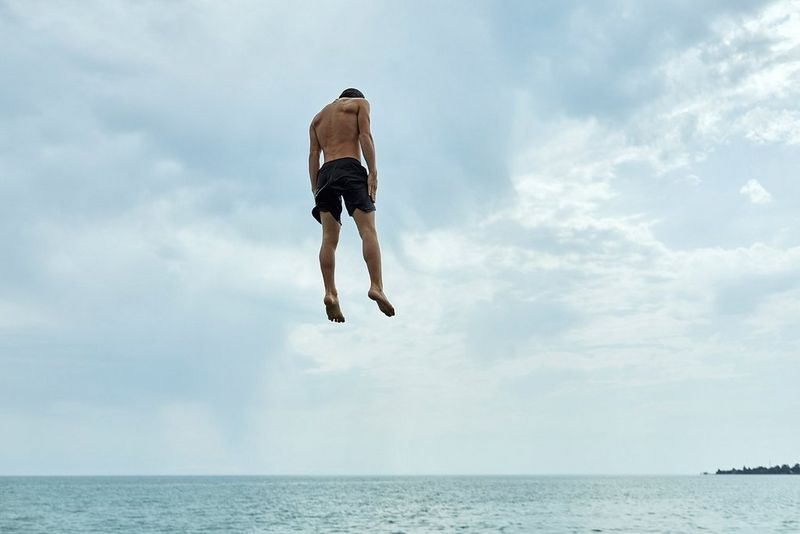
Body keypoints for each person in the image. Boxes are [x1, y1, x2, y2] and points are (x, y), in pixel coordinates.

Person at [309, 88, 395, 323]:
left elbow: (313, 155)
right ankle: (376, 286)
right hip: (350, 167)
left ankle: (330, 292)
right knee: (368, 231)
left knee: (328, 238)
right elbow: (365, 136)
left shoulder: (317, 119)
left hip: (325, 174)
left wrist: (315, 188)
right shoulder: (360, 104)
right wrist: (373, 172)